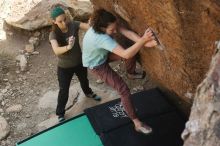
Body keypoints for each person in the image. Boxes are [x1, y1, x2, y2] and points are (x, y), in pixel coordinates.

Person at [82, 9, 158, 135]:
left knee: (132, 50)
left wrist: (144, 42)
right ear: (102, 28)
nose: (115, 31)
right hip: (96, 65)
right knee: (124, 90)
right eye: (112, 30)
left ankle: (131, 73)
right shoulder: (101, 39)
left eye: (114, 27)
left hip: (101, 54)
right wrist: (143, 40)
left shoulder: (102, 25)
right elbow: (125, 54)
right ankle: (137, 123)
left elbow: (125, 31)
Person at [49, 6, 101, 122]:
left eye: (64, 19)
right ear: (54, 21)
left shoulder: (73, 24)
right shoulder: (53, 34)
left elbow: (88, 27)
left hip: (79, 62)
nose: (64, 23)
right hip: (64, 68)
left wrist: (93, 23)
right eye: (60, 21)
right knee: (64, 90)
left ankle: (88, 93)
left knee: (84, 80)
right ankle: (60, 113)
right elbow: (56, 50)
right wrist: (69, 47)